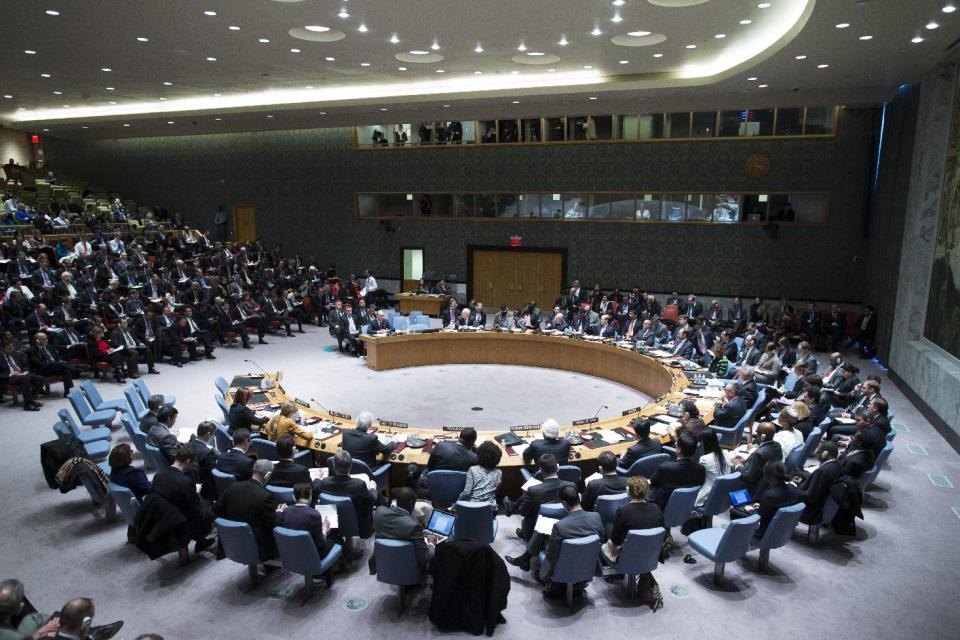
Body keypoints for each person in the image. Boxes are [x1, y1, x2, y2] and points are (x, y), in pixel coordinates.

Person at [504, 454, 576, 571]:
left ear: (541, 470)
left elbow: (524, 513)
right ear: (557, 468)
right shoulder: (571, 486)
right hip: (564, 523)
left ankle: (525, 544)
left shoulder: (534, 490)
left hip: (537, 527)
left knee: (529, 515)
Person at [215, 459, 280, 560]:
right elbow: (273, 525)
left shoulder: (233, 486)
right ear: (267, 475)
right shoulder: (265, 496)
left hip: (232, 542)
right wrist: (280, 513)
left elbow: (216, 510)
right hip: (257, 548)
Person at [540, 486, 605, 588]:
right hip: (588, 566)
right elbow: (601, 540)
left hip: (563, 570)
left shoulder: (559, 526)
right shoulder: (596, 517)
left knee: (544, 552)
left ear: (564, 503)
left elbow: (551, 556)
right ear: (579, 497)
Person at [150, 447, 214, 550]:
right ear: (188, 461)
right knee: (213, 506)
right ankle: (202, 539)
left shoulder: (158, 476)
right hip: (182, 522)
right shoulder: (186, 482)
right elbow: (197, 512)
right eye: (192, 463)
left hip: (162, 519)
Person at [370, 487, 435, 581]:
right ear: (412, 503)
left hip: (384, 563)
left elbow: (395, 530)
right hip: (408, 567)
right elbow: (426, 557)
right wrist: (431, 542)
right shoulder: (414, 525)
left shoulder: (379, 512)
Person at [319, 450, 378, 541]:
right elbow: (372, 501)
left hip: (332, 523)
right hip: (357, 524)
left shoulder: (324, 483)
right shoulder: (359, 485)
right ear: (350, 467)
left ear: (334, 467)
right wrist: (373, 488)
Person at [602, 476, 664, 561]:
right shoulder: (656, 508)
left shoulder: (623, 511)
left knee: (608, 526)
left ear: (628, 491)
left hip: (628, 556)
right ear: (647, 491)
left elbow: (616, 541)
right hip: (651, 554)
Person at [736, 461, 799, 538]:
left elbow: (759, 519)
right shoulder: (793, 489)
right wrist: (763, 505)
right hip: (783, 532)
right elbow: (777, 506)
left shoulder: (770, 495)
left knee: (735, 511)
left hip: (763, 532)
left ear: (768, 476)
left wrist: (750, 510)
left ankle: (738, 541)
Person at [276, 482, 336, 560]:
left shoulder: (285, 512)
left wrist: (280, 512)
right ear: (310, 495)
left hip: (292, 552)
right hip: (312, 555)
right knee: (333, 538)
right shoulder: (315, 514)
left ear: (294, 497)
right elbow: (320, 543)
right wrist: (324, 528)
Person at [649, 434, 706, 510]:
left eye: (677, 444)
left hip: (662, 507)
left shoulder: (665, 468)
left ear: (679, 449)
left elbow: (652, 484)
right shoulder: (701, 469)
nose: (675, 444)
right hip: (685, 507)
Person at [796, 441, 842, 525]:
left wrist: (794, 488)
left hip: (809, 511)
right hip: (820, 505)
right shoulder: (837, 466)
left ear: (825, 454)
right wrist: (801, 482)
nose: (816, 454)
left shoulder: (821, 471)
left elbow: (809, 496)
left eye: (818, 452)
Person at [732, 422, 783, 495]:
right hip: (768, 482)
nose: (755, 433)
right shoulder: (777, 445)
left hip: (752, 488)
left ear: (763, 436)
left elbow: (749, 476)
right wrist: (747, 460)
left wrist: (737, 465)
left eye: (757, 432)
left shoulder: (758, 453)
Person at [458, 441, 502, 510]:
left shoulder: (473, 470)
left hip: (472, 508)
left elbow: (467, 493)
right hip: (490, 510)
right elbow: (496, 490)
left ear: (479, 455)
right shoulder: (499, 472)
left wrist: (457, 504)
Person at [27, 332, 74, 397]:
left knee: (65, 370)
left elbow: (57, 358)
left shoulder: (49, 347)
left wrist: (58, 362)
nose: (47, 340)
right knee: (53, 363)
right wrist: (53, 363)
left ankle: (67, 392)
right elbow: (38, 363)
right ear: (37, 341)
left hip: (55, 366)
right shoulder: (32, 350)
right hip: (42, 369)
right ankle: (73, 368)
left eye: (47, 338)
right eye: (44, 339)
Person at [0, 342, 43, 411]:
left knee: (39, 378)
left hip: (21, 374)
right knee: (25, 379)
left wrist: (25, 371)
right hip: (9, 377)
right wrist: (11, 374)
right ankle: (27, 405)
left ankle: (31, 399)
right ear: (3, 349)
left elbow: (24, 365)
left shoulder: (15, 354)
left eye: (12, 348)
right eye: (9, 348)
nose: (11, 350)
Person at [695, 430, 732, 507]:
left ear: (703, 443)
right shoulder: (726, 453)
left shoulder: (705, 459)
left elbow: (698, 479)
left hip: (706, 496)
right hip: (722, 494)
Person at [186, 421, 220, 501]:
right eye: (213, 434)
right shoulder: (208, 452)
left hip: (189, 479)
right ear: (208, 434)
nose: (213, 436)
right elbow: (213, 473)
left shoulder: (188, 444)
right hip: (204, 487)